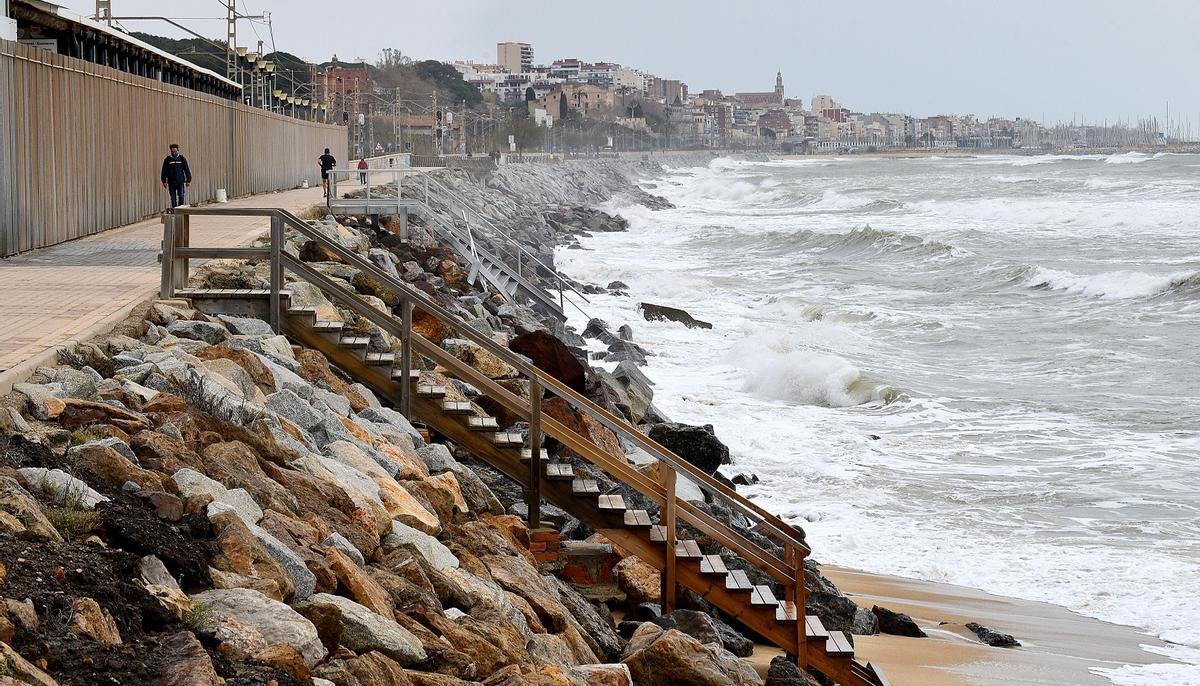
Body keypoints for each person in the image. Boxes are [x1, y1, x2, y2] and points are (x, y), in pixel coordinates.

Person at [160, 144, 192, 208]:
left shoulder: (182, 159)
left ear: (178, 150)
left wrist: (188, 180)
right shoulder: (168, 159)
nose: (174, 153)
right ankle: (175, 211)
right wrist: (164, 181)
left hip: (180, 181)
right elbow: (164, 170)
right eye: (172, 152)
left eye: (175, 151)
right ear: (170, 151)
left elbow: (186, 169)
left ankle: (180, 210)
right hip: (171, 182)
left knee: (181, 196)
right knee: (173, 198)